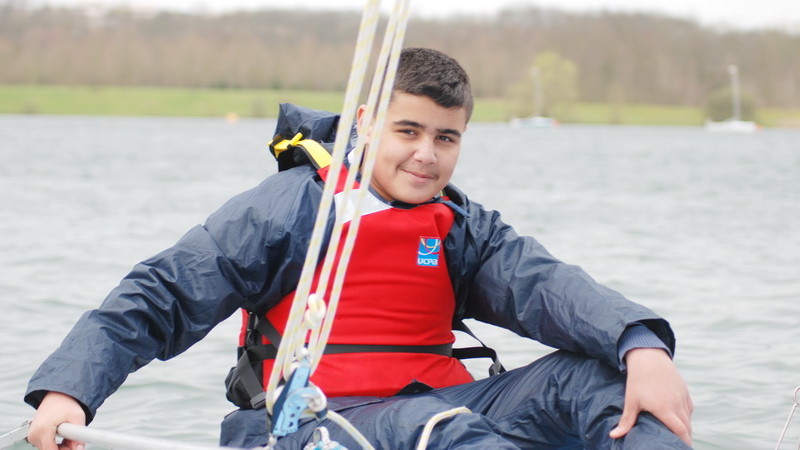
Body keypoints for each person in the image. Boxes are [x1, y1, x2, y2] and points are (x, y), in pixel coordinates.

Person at [26, 47, 693, 450]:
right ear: (368, 123)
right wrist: (68, 393)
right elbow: (162, 295)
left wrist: (641, 345)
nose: (426, 155)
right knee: (447, 434)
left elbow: (547, 286)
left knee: (606, 381)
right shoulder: (291, 208)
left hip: (440, 407)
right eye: (408, 131)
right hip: (310, 424)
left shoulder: (461, 227)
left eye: (446, 138)